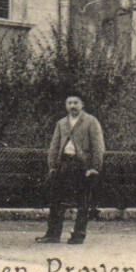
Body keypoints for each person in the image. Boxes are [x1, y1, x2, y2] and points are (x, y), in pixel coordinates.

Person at [36, 94, 104, 245]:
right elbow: (54, 145)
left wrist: (94, 168)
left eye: (76, 103)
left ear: (82, 104)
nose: (72, 106)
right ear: (66, 105)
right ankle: (53, 234)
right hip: (64, 164)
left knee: (83, 201)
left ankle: (78, 235)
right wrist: (52, 166)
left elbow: (98, 146)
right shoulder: (61, 123)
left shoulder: (91, 121)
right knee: (56, 199)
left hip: (82, 165)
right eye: (69, 103)